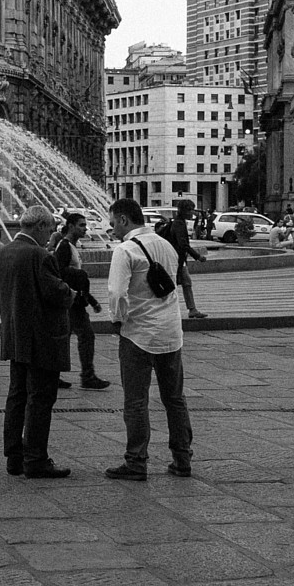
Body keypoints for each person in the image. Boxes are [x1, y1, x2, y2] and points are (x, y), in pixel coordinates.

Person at [102, 197, 192, 479]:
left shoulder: (125, 250)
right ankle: (182, 459)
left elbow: (117, 293)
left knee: (136, 401)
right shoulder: (166, 245)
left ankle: (136, 462)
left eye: (113, 222)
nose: (111, 228)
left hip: (139, 334)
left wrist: (117, 320)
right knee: (174, 398)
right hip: (170, 333)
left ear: (125, 220)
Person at [0, 205, 75, 479]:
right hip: (42, 339)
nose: (50, 237)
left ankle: (14, 457)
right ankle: (36, 458)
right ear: (38, 226)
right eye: (49, 230)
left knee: (17, 396)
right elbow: (56, 293)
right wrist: (72, 292)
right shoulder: (39, 256)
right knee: (40, 399)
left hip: (15, 335)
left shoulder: (1, 253)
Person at [52, 212, 111, 391]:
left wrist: (91, 300)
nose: (85, 228)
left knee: (68, 338)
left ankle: (55, 375)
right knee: (84, 336)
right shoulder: (64, 246)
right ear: (70, 226)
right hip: (71, 302)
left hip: (75, 301)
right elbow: (59, 272)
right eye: (81, 225)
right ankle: (86, 376)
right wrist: (81, 276)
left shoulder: (70, 246)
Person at [159, 200, 210, 322]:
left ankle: (192, 309)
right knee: (174, 285)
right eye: (190, 210)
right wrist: (198, 256)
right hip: (176, 260)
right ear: (184, 211)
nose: (192, 212)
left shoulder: (179, 222)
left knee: (186, 283)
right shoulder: (179, 224)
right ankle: (168, 311)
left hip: (178, 260)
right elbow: (183, 245)